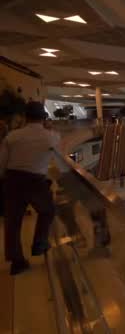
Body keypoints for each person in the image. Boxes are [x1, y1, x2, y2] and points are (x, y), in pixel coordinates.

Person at [1, 102, 60, 275]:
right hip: (35, 181)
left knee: (12, 223)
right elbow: (58, 147)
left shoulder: (12, 136)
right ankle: (39, 243)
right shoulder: (51, 137)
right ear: (43, 118)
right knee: (47, 210)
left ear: (25, 118)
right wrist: (50, 128)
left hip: (12, 180)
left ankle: (17, 262)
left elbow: (2, 162)